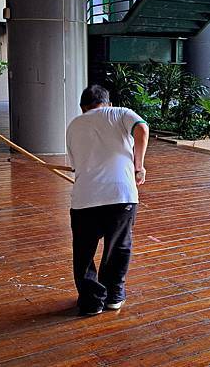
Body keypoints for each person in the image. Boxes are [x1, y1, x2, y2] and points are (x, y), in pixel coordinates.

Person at [66, 85, 149, 316]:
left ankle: (91, 302)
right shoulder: (121, 113)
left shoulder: (74, 125)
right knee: (118, 246)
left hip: (85, 198)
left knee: (84, 252)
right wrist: (138, 166)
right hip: (121, 196)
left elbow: (75, 166)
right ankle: (113, 296)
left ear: (83, 108)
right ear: (108, 103)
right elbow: (142, 128)